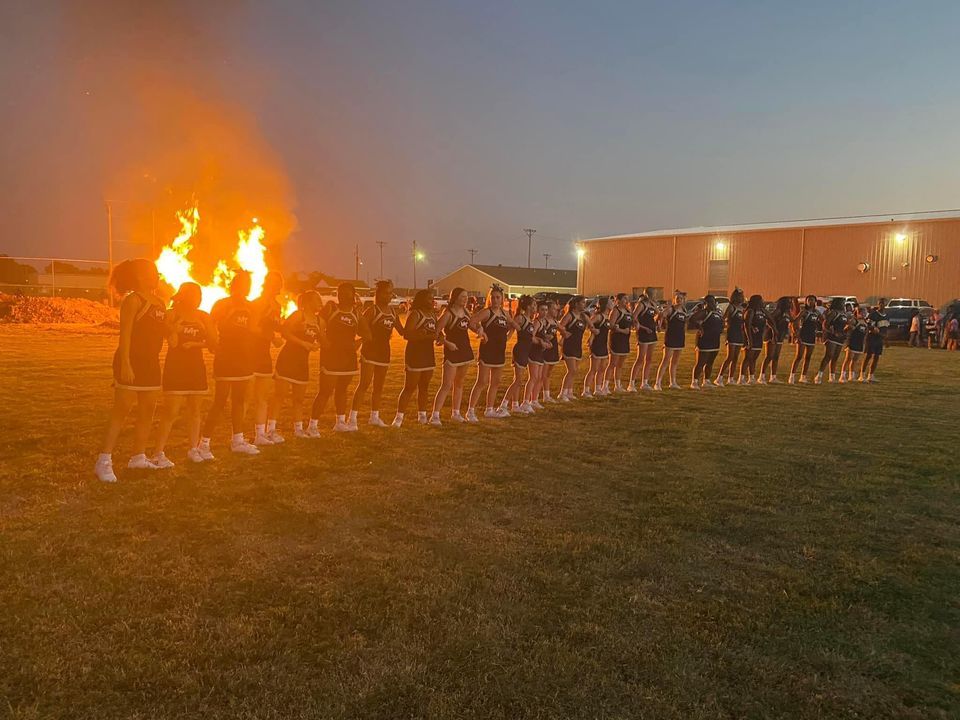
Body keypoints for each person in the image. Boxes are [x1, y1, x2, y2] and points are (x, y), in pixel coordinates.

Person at [94, 259, 167, 482]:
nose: (158, 275)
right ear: (141, 276)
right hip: (131, 361)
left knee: (148, 410)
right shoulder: (133, 300)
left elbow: (160, 332)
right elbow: (124, 335)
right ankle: (104, 461)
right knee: (122, 410)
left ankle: (138, 456)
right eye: (153, 272)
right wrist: (125, 363)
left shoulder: (160, 302)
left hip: (151, 363)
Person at [153, 282, 217, 467]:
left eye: (200, 295)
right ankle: (158, 452)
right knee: (171, 411)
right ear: (184, 296)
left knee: (195, 409)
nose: (199, 299)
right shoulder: (172, 314)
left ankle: (193, 448)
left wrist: (197, 343)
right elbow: (170, 339)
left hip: (196, 366)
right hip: (176, 366)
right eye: (194, 295)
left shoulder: (203, 316)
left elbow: (213, 343)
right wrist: (175, 328)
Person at [200, 270, 259, 458]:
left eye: (248, 283)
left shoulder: (251, 306)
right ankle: (204, 443)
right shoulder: (222, 304)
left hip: (244, 357)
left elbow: (252, 330)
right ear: (234, 285)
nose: (246, 287)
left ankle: (237, 440)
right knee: (220, 400)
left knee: (239, 400)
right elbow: (209, 325)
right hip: (226, 357)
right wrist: (213, 344)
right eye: (243, 283)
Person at [310, 283, 371, 432]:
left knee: (342, 390)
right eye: (340, 293)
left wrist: (359, 342)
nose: (342, 296)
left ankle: (340, 422)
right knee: (325, 391)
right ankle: (312, 425)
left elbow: (368, 334)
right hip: (331, 357)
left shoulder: (356, 313)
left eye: (347, 293)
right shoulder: (331, 308)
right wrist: (323, 340)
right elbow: (317, 325)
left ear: (353, 294)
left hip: (348, 358)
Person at [274, 291, 323, 436]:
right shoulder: (298, 315)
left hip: (302, 362)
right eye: (317, 299)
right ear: (308, 302)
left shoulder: (319, 321)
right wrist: (303, 343)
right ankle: (270, 430)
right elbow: (284, 331)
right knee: (279, 396)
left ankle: (298, 429)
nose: (320, 302)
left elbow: (321, 339)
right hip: (288, 358)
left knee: (299, 399)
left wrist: (316, 345)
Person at [349, 280, 397, 428]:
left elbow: (403, 331)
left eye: (391, 293)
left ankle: (374, 417)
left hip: (384, 352)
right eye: (387, 293)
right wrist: (362, 339)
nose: (390, 296)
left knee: (379, 387)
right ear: (379, 294)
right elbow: (360, 327)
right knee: (364, 384)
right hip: (370, 351)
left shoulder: (393, 312)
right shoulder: (372, 310)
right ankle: (352, 419)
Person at [466, 284, 517, 420]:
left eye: (498, 297)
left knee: (496, 382)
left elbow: (515, 325)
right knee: (482, 381)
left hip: (499, 351)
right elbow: (471, 321)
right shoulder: (487, 312)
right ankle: (470, 411)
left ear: (502, 299)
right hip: (487, 350)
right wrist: (480, 331)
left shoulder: (505, 313)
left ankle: (489, 409)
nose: (495, 300)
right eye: (493, 297)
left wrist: (509, 336)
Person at [430, 287, 476, 424]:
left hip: (465, 350)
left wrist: (479, 329)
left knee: (460, 383)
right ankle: (435, 415)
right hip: (452, 351)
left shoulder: (466, 312)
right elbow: (436, 332)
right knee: (446, 384)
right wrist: (447, 343)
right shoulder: (448, 314)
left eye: (466, 296)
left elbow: (471, 326)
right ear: (454, 298)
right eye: (462, 296)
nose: (465, 299)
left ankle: (456, 413)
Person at [392, 290, 438, 427]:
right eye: (429, 299)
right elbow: (407, 335)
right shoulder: (415, 314)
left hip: (428, 354)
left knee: (424, 387)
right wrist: (424, 335)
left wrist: (440, 337)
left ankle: (422, 416)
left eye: (433, 298)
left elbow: (436, 332)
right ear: (422, 300)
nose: (432, 301)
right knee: (410, 387)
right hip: (415, 354)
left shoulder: (432, 314)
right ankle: (399, 418)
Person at [249, 270, 285, 446]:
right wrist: (272, 338)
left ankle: (260, 434)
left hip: (264, 353)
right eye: (273, 282)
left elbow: (274, 326)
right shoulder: (259, 303)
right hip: (250, 351)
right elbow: (252, 328)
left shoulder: (277, 305)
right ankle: (238, 437)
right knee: (247, 396)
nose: (276, 286)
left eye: (279, 282)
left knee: (262, 395)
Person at [499, 295, 537, 414]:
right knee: (518, 380)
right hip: (520, 350)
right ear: (528, 306)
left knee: (518, 380)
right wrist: (504, 339)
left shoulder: (530, 319)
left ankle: (515, 405)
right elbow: (510, 331)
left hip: (526, 350)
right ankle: (503, 405)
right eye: (534, 305)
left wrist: (542, 341)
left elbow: (530, 338)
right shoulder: (520, 318)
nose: (536, 307)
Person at [558, 295, 592, 402]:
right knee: (571, 370)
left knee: (575, 371)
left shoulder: (583, 316)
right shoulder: (569, 315)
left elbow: (592, 325)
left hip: (578, 345)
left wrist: (593, 331)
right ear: (576, 304)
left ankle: (570, 392)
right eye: (582, 303)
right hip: (569, 345)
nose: (584, 305)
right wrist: (564, 332)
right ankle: (562, 393)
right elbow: (559, 326)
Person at [653, 290, 687, 390]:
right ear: (674, 300)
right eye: (677, 299)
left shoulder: (684, 310)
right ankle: (657, 383)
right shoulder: (671, 309)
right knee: (666, 360)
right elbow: (659, 316)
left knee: (675, 361)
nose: (679, 300)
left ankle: (673, 382)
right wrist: (659, 325)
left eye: (681, 299)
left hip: (680, 337)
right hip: (671, 337)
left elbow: (685, 323)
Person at [689, 295, 722, 389]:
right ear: (705, 303)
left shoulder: (717, 313)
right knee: (700, 362)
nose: (712, 304)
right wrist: (700, 328)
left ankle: (706, 380)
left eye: (713, 302)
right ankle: (694, 382)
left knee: (710, 362)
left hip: (715, 340)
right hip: (705, 340)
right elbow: (692, 319)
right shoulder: (704, 312)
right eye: (710, 302)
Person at [628, 293, 659, 391]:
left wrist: (657, 323)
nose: (655, 295)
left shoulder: (652, 304)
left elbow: (659, 314)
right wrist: (643, 328)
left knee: (649, 359)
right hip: (644, 333)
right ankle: (631, 383)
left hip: (652, 332)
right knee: (640, 358)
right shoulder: (641, 304)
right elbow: (634, 317)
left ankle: (644, 382)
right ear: (648, 295)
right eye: (653, 293)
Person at [715, 288, 745, 386]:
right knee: (730, 357)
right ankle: (719, 377)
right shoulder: (731, 307)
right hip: (732, 333)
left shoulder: (742, 308)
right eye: (740, 296)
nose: (742, 297)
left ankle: (730, 378)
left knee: (736, 357)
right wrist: (725, 325)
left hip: (740, 334)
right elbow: (724, 318)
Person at [815, 296, 849, 384]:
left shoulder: (844, 313)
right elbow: (825, 324)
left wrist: (845, 332)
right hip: (831, 336)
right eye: (842, 302)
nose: (843, 304)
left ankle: (832, 377)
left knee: (836, 357)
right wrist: (832, 332)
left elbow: (845, 325)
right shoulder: (834, 312)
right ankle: (819, 375)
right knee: (828, 355)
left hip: (840, 337)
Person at [759, 296, 792, 384]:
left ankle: (773, 377)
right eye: (789, 302)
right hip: (771, 335)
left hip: (780, 336)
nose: (790, 303)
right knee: (769, 356)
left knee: (776, 357)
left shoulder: (787, 312)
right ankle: (761, 376)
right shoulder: (778, 311)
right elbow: (769, 320)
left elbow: (793, 320)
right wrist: (774, 330)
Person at [584, 296, 612, 397]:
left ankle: (598, 388)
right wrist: (593, 331)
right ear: (605, 305)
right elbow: (589, 323)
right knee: (593, 369)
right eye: (610, 302)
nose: (612, 303)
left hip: (603, 344)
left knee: (602, 368)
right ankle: (586, 390)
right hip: (597, 343)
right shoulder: (599, 316)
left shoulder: (607, 316)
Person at [789, 295, 820, 384]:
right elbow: (795, 321)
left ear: (815, 302)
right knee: (798, 357)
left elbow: (823, 321)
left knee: (808, 357)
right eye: (809, 300)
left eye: (812, 300)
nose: (811, 302)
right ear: (806, 302)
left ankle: (803, 377)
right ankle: (792, 376)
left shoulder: (817, 312)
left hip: (811, 336)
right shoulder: (804, 312)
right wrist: (796, 334)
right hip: (803, 335)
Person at [605, 293, 633, 392]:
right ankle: (605, 386)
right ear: (619, 300)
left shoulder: (627, 311)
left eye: (627, 298)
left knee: (620, 364)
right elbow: (611, 325)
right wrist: (621, 330)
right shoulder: (615, 311)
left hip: (625, 340)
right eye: (625, 298)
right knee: (612, 363)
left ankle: (617, 385)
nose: (627, 300)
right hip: (616, 339)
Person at [524, 300, 549, 410]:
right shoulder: (537, 322)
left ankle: (534, 400)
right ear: (538, 310)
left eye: (546, 310)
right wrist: (541, 342)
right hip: (534, 352)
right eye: (542, 309)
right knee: (533, 377)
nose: (544, 312)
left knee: (539, 378)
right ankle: (526, 401)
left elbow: (541, 337)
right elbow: (531, 337)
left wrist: (547, 341)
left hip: (540, 352)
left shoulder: (543, 322)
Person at [740, 294, 766, 385]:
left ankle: (751, 377)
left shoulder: (762, 311)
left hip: (758, 337)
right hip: (751, 337)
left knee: (754, 359)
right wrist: (749, 340)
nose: (763, 301)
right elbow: (747, 325)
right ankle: (741, 378)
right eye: (761, 300)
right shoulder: (750, 311)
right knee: (747, 358)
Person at [859, 298, 889, 381]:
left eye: (883, 303)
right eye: (880, 303)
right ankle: (862, 374)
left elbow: (886, 328)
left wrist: (886, 340)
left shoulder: (887, 315)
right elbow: (869, 326)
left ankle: (871, 375)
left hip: (880, 339)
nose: (882, 305)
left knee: (876, 357)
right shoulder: (873, 314)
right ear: (878, 304)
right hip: (872, 338)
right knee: (868, 355)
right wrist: (876, 331)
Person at [539, 299, 562, 402]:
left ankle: (546, 395)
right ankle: (543, 396)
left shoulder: (555, 321)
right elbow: (540, 333)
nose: (556, 310)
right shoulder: (545, 321)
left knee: (548, 373)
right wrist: (545, 338)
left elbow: (563, 330)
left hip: (553, 348)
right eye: (553, 308)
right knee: (543, 374)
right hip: (546, 349)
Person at [839, 304, 867, 383]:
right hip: (852, 341)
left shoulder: (865, 322)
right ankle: (842, 376)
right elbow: (846, 328)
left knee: (855, 360)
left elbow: (865, 333)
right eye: (862, 312)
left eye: (865, 312)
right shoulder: (854, 320)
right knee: (848, 359)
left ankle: (852, 376)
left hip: (860, 342)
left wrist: (864, 342)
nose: (864, 314)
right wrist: (850, 327)